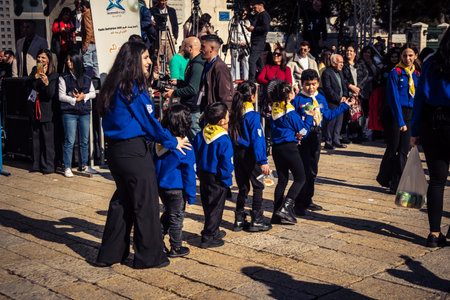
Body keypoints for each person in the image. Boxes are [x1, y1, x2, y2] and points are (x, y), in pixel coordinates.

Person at [95, 41, 190, 268]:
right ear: (133, 60)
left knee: (123, 202)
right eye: (146, 57)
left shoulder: (113, 84)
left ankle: (110, 254)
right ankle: (149, 257)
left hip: (116, 151)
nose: (150, 62)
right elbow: (149, 123)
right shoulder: (132, 87)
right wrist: (172, 141)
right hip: (133, 152)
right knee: (145, 204)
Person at [291, 69, 353, 215]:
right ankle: (298, 203)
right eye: (307, 84)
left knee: (313, 170)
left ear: (318, 84)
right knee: (304, 171)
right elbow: (293, 120)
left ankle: (308, 199)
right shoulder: (298, 99)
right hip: (304, 136)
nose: (310, 87)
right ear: (302, 84)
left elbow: (328, 115)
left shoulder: (320, 97)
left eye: (313, 84)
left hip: (317, 135)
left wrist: (344, 106)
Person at [410, 28, 450, 247]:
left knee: (436, 181)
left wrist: (414, 131)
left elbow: (420, 98)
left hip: (432, 123)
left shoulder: (431, 61)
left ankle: (434, 234)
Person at [229, 81, 271, 232]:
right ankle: (257, 219)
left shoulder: (234, 112)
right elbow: (257, 139)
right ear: (253, 96)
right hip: (251, 154)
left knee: (243, 187)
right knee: (258, 186)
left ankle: (239, 219)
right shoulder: (252, 115)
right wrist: (263, 160)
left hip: (238, 154)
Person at [377, 44, 419, 193]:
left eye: (410, 55)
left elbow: (418, 98)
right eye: (404, 55)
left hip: (410, 113)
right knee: (393, 148)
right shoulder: (396, 72)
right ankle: (385, 178)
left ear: (415, 56)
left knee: (404, 150)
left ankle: (398, 183)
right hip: (395, 114)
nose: (407, 59)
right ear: (400, 57)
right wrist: (400, 121)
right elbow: (393, 98)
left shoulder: (416, 74)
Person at [155, 104, 196, 257]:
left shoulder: (161, 143)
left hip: (161, 186)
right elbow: (189, 173)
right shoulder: (185, 145)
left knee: (169, 213)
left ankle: (157, 240)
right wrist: (191, 195)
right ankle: (176, 247)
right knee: (177, 217)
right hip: (176, 188)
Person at [270, 81, 314, 224]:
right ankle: (286, 207)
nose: (296, 91)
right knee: (301, 178)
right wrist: (309, 116)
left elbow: (282, 128)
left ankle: (276, 214)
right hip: (289, 148)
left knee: (282, 180)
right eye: (293, 90)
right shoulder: (289, 110)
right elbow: (303, 131)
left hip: (277, 148)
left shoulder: (275, 108)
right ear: (288, 94)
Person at [193, 102, 233, 248]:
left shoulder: (201, 133)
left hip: (203, 174)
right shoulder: (223, 138)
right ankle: (208, 236)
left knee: (207, 203)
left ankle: (214, 230)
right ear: (222, 120)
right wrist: (226, 180)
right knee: (216, 206)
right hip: (217, 176)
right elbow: (226, 162)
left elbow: (196, 152)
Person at [58, 51, 96, 177]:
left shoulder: (86, 76)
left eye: (71, 60)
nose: (68, 63)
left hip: (84, 111)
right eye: (67, 60)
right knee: (70, 140)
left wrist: (83, 96)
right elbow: (61, 96)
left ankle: (84, 165)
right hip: (69, 112)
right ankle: (67, 166)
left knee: (84, 140)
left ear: (77, 61)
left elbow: (93, 93)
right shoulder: (63, 77)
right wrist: (74, 99)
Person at [163, 36, 205, 140]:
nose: (182, 50)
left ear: (191, 47)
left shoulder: (197, 64)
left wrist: (174, 93)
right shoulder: (193, 62)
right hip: (191, 107)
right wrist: (179, 83)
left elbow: (192, 89)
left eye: (183, 47)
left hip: (194, 109)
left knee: (196, 140)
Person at [27, 49, 59, 174]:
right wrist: (34, 78)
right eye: (39, 57)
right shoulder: (34, 72)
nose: (40, 60)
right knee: (36, 139)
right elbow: (27, 86)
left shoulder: (54, 75)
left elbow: (50, 94)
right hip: (35, 109)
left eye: (43, 58)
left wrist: (46, 83)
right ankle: (36, 165)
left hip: (47, 111)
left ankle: (49, 166)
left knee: (48, 141)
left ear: (49, 60)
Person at [342, 41, 369, 143]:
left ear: (355, 53)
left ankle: (359, 134)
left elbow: (365, 75)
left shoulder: (360, 63)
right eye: (347, 51)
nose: (348, 53)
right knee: (348, 115)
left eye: (351, 51)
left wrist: (358, 88)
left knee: (359, 114)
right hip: (348, 92)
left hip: (359, 93)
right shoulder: (343, 64)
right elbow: (342, 78)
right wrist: (350, 86)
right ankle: (348, 134)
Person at [198, 34, 234, 111]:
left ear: (212, 48)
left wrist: (223, 116)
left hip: (217, 115)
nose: (200, 50)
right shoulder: (207, 64)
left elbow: (225, 95)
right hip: (209, 113)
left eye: (203, 47)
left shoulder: (219, 67)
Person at [321, 54, 349, 149]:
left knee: (339, 122)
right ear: (333, 63)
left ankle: (336, 140)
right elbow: (328, 89)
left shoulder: (340, 72)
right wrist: (338, 98)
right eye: (340, 62)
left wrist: (344, 96)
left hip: (341, 101)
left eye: (342, 62)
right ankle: (328, 142)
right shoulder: (327, 73)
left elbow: (344, 85)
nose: (342, 64)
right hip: (332, 101)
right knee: (331, 122)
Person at [150, 0, 178, 72]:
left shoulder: (171, 11)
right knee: (157, 62)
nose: (163, 2)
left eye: (165, 0)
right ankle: (157, 78)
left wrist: (175, 37)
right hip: (159, 39)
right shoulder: (153, 11)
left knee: (170, 60)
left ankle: (170, 77)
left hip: (170, 38)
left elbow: (175, 25)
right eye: (162, 0)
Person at [247, 0, 271, 82]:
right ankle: (263, 78)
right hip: (255, 42)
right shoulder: (258, 15)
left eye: (255, 6)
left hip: (259, 42)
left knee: (252, 61)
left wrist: (254, 29)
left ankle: (251, 80)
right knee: (260, 63)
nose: (254, 8)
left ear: (261, 5)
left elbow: (266, 28)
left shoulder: (264, 15)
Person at [230, 9, 251, 81]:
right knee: (235, 63)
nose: (243, 15)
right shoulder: (233, 22)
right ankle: (235, 79)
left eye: (245, 14)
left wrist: (247, 42)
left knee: (246, 62)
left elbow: (249, 35)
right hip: (236, 45)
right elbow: (231, 35)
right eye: (242, 14)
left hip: (245, 45)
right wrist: (236, 42)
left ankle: (246, 79)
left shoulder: (247, 22)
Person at [52, 7, 76, 73]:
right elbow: (54, 30)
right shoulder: (57, 21)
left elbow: (73, 30)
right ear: (62, 14)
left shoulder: (70, 22)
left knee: (68, 63)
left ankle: (67, 77)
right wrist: (61, 29)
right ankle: (59, 77)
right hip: (60, 46)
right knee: (60, 63)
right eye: (65, 14)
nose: (67, 16)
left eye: (68, 15)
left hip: (69, 45)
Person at [80, 1, 98, 78]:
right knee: (96, 63)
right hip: (95, 41)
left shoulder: (86, 14)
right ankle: (98, 81)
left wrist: (86, 44)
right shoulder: (94, 13)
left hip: (89, 42)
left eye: (80, 7)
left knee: (87, 63)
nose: (79, 8)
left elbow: (89, 29)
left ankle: (88, 82)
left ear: (84, 7)